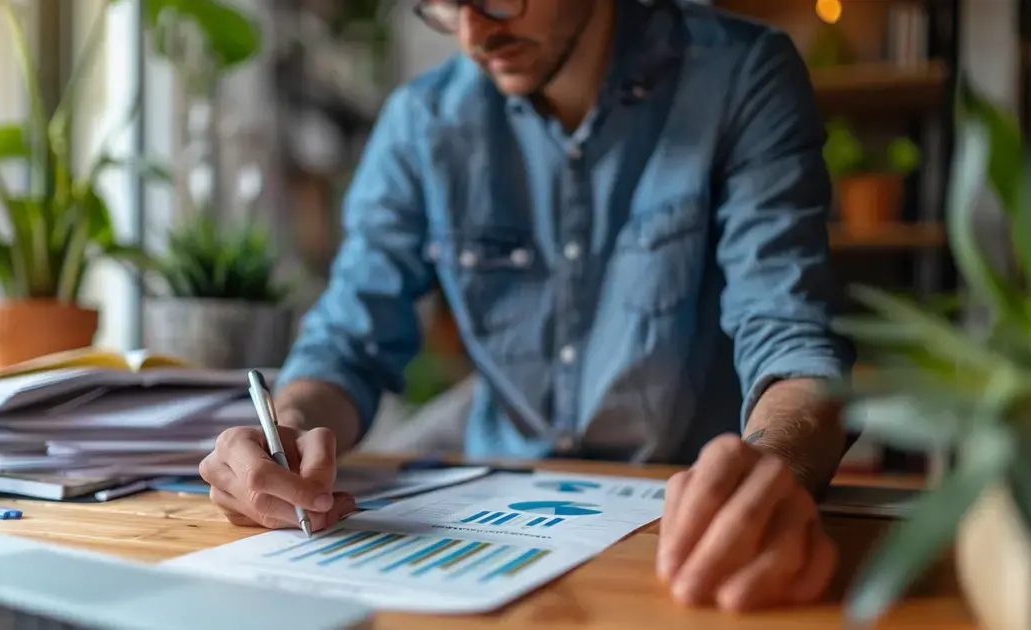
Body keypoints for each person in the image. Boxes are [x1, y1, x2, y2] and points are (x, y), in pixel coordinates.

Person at [200, 0, 856, 612]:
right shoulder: (423, 122)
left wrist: (774, 470)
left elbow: (792, 335)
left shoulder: (739, 74)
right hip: (495, 531)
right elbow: (348, 344)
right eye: (443, 4)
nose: (473, 34)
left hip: (691, 527)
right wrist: (283, 432)